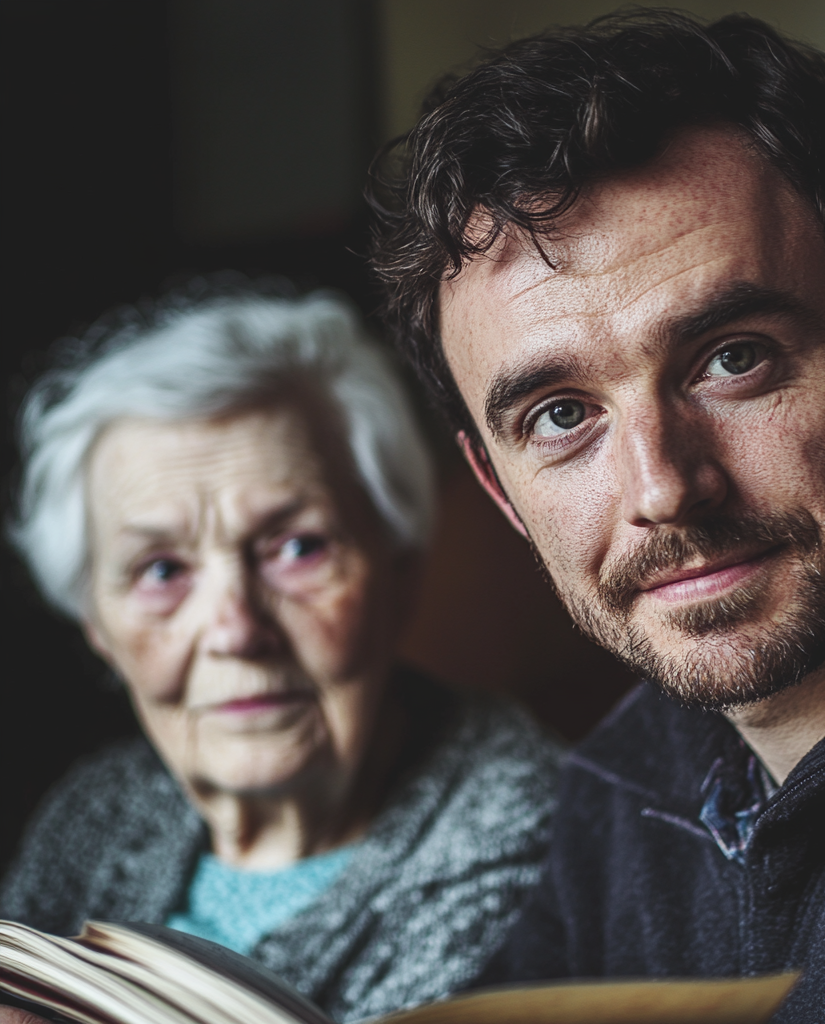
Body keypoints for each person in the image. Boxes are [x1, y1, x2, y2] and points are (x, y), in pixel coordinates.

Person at [369, 10, 825, 1022]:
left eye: (732, 358)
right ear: (499, 492)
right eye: (559, 416)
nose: (663, 487)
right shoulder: (620, 787)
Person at [0, 287, 561, 1022]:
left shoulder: (546, 849)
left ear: (398, 572)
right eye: (162, 571)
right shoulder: (98, 812)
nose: (236, 630)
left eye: (298, 548)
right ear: (97, 625)